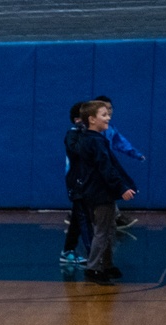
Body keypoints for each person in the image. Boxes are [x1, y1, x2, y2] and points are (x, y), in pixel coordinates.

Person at [71, 100, 137, 285]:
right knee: (102, 231)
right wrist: (122, 187)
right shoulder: (96, 142)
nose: (108, 117)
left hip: (92, 192)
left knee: (108, 229)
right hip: (100, 193)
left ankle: (106, 265)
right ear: (92, 119)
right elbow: (106, 168)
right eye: (104, 115)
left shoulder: (88, 139)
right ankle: (93, 268)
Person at [94, 95, 146, 230]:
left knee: (108, 191)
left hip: (105, 165)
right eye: (104, 109)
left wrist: (136, 154)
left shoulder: (110, 130)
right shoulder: (88, 130)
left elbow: (121, 143)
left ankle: (115, 217)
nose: (109, 111)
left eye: (110, 108)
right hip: (92, 167)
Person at [61, 102, 91, 266]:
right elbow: (76, 151)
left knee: (79, 218)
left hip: (87, 182)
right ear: (78, 119)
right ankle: (93, 255)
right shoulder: (73, 134)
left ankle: (67, 250)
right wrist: (83, 131)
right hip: (76, 182)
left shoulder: (93, 135)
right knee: (83, 217)